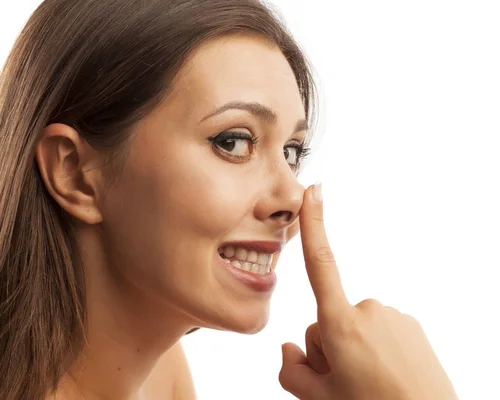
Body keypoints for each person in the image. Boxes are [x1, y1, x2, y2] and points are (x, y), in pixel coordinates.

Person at [0, 0, 458, 399]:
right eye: (234, 142)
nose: (292, 199)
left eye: (292, 152)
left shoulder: (161, 376)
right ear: (74, 174)